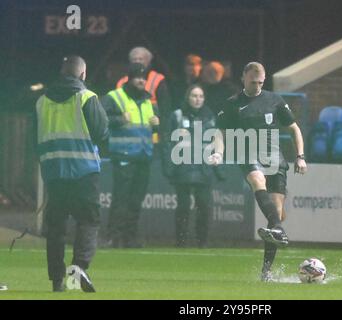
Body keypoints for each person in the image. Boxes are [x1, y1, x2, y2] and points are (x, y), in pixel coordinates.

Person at [209, 62, 307, 282]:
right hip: (249, 156)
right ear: (243, 78)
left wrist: (300, 157)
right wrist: (218, 153)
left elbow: (294, 129)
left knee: (276, 216)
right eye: (253, 82)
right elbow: (221, 132)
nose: (257, 86)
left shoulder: (275, 100)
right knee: (256, 179)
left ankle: (266, 271)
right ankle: (278, 229)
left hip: (275, 159)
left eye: (261, 82)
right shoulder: (233, 104)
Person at [36, 55, 109, 292]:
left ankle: (57, 279)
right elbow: (102, 132)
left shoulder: (41, 102)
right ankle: (78, 269)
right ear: (83, 74)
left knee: (55, 227)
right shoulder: (87, 98)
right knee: (88, 221)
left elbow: (33, 140)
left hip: (54, 172)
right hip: (84, 171)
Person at [102, 63, 160, 248]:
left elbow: (152, 128)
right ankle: (113, 237)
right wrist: (119, 120)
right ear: (129, 78)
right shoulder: (115, 97)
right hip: (124, 156)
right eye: (137, 77)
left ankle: (129, 237)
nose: (142, 80)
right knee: (121, 199)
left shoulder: (148, 100)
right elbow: (98, 118)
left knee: (136, 200)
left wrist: (157, 124)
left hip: (143, 157)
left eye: (144, 78)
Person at [163, 84, 223, 248]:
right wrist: (169, 167)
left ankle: (202, 242)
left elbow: (216, 140)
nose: (198, 99)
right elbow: (168, 141)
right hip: (182, 167)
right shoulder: (177, 115)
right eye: (194, 96)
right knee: (183, 207)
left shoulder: (209, 116)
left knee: (204, 206)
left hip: (204, 167)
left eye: (201, 96)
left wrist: (218, 165)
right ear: (187, 97)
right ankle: (181, 241)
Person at [116, 47, 172, 136]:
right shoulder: (121, 83)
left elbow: (165, 110)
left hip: (151, 134)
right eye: (135, 59)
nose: (137, 62)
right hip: (128, 135)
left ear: (148, 61)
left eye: (140, 59)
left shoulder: (157, 79)